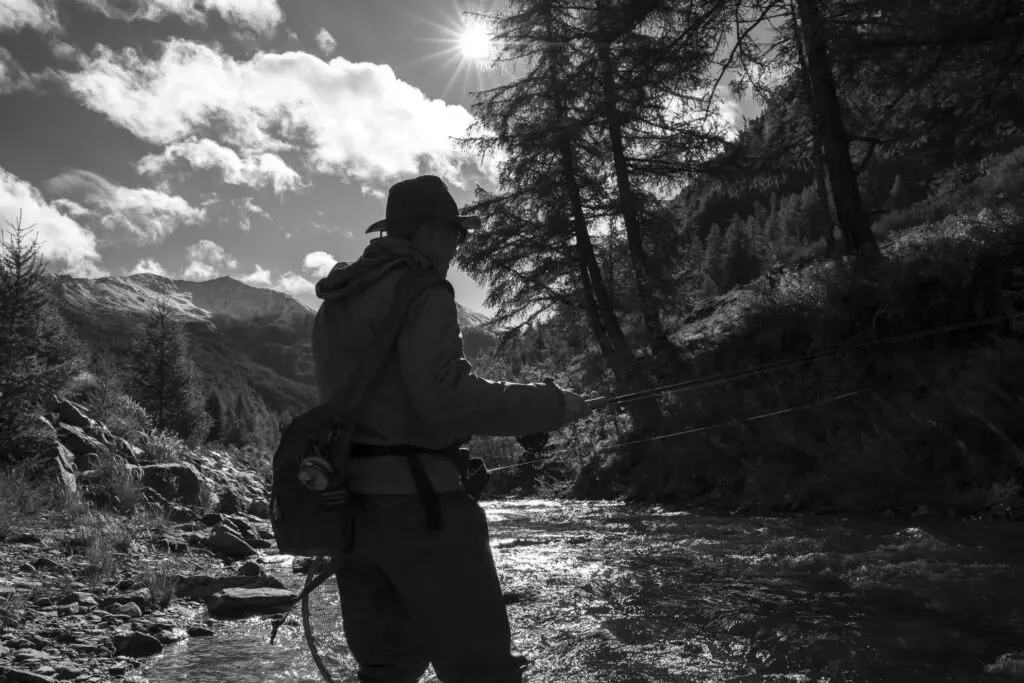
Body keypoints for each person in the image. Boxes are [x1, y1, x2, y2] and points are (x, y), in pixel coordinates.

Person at [311, 174, 594, 683]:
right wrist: (550, 405)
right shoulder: (423, 288)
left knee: (386, 669)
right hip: (424, 511)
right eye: (454, 235)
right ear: (430, 232)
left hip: (350, 516)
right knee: (481, 668)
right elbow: (445, 398)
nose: (457, 248)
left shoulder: (338, 299)